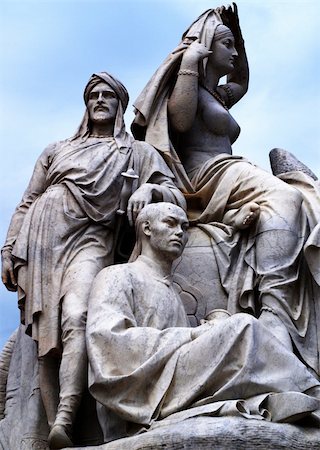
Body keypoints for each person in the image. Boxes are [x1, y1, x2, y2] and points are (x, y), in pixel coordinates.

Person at [131, 5, 320, 375]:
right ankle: (275, 310)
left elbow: (244, 81)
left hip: (229, 168)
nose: (233, 54)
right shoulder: (192, 89)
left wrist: (238, 35)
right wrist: (189, 61)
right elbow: (181, 120)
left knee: (299, 199)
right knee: (288, 198)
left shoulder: (219, 95)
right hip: (207, 173)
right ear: (205, 47)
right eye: (227, 45)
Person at [1, 72, 185, 449]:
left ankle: (67, 415)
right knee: (44, 336)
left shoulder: (136, 152)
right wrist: (8, 248)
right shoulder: (57, 149)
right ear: (86, 105)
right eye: (93, 96)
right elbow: (27, 200)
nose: (100, 100)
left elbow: (175, 195)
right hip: (43, 239)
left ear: (119, 104)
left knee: (77, 316)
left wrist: (150, 187)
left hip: (92, 239)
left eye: (108, 96)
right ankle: (56, 428)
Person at [86, 203, 320, 442]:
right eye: (170, 223)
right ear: (146, 228)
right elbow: (108, 344)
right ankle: (312, 392)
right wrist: (195, 335)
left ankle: (293, 397)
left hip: (172, 379)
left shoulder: (172, 293)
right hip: (141, 391)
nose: (179, 232)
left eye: (185, 227)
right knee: (243, 327)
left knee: (237, 335)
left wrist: (208, 329)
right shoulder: (117, 276)